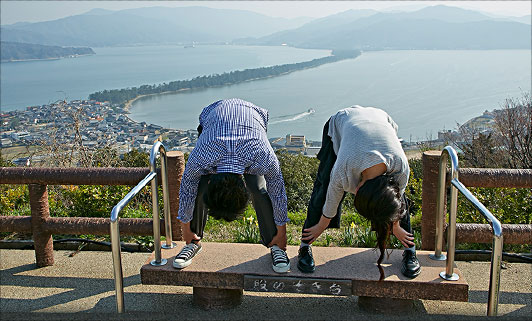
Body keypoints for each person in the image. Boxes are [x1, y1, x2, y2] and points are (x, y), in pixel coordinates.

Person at [297, 105, 421, 280]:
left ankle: (410, 250)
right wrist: (321, 225)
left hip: (381, 119)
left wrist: (396, 226)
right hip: (342, 121)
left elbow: (397, 200)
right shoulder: (343, 168)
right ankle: (304, 246)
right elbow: (332, 198)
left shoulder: (400, 167)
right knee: (323, 188)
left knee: (395, 202)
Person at [174, 98, 290, 273]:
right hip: (212, 114)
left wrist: (282, 234)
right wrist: (186, 230)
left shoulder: (262, 155)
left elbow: (278, 192)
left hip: (253, 116)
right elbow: (187, 189)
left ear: (243, 183)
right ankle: (193, 241)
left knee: (260, 189)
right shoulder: (202, 156)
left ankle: (276, 245)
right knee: (198, 187)